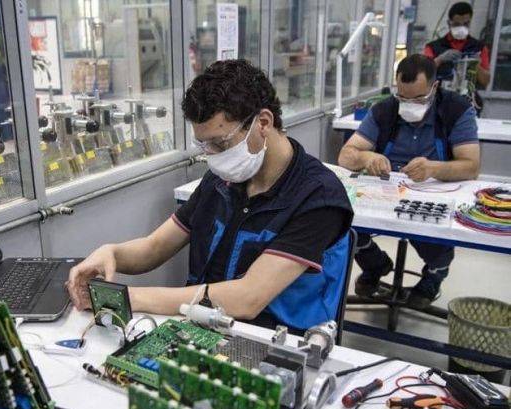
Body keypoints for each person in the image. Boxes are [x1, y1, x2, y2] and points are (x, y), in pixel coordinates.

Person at [67, 59, 353, 332]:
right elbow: (155, 247)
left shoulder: (318, 197)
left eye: (220, 143)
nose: (213, 156)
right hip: (201, 325)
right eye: (204, 145)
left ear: (263, 123)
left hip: (275, 341)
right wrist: (111, 253)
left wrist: (128, 298)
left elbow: (247, 298)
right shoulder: (222, 181)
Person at [338, 54, 480, 308]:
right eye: (403, 97)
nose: (409, 105)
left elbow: (471, 166)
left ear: (435, 87)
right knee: (343, 219)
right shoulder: (384, 110)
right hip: (387, 189)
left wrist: (434, 168)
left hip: (433, 190)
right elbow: (346, 155)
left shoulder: (456, 110)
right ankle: (375, 264)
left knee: (434, 231)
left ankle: (433, 275)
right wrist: (367, 157)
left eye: (419, 99)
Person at [424, 2, 491, 88]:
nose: (461, 28)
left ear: (470, 23)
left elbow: (485, 82)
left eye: (465, 24)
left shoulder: (479, 48)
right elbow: (423, 75)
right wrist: (439, 59)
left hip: (467, 94)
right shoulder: (432, 47)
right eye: (457, 24)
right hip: (440, 94)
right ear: (449, 23)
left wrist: (476, 65)